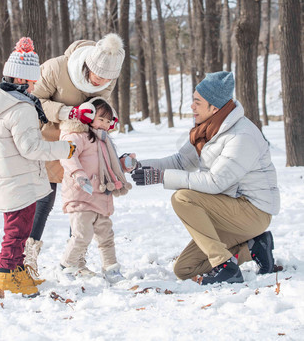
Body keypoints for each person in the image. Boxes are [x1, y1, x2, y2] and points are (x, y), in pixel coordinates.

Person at [131, 71, 280, 285]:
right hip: (228, 210)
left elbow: (216, 182)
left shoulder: (241, 136)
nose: (192, 107)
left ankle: (224, 265)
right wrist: (137, 166)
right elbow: (180, 162)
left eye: (197, 102)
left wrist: (161, 177)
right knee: (185, 269)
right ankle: (253, 248)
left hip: (253, 211)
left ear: (214, 108)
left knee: (183, 198)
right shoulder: (208, 131)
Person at [0, 38, 76, 298]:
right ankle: (4, 276)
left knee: (17, 229)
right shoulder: (20, 108)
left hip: (7, 180)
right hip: (20, 182)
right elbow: (31, 148)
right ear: (23, 81)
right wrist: (65, 149)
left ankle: (17, 271)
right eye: (33, 82)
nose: (34, 87)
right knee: (17, 232)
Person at [24, 33, 125, 272]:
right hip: (48, 136)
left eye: (107, 81)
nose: (102, 84)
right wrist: (68, 112)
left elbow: (101, 105)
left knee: (83, 200)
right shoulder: (55, 68)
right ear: (88, 66)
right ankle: (29, 256)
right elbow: (33, 100)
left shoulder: (109, 75)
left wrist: (105, 120)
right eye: (98, 78)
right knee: (45, 198)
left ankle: (77, 261)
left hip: (82, 141)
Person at [58, 97, 132, 283]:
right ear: (88, 115)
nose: (105, 124)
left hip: (101, 196)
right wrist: (78, 173)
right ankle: (66, 266)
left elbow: (108, 166)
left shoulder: (104, 141)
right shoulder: (77, 135)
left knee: (106, 235)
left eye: (108, 121)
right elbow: (67, 154)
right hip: (81, 194)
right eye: (101, 119)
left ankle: (111, 269)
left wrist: (123, 163)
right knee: (82, 235)